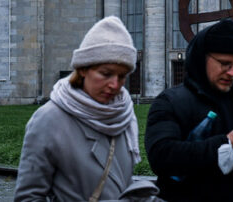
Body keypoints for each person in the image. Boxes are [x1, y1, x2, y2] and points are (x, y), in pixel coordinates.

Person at [14, 16, 159, 201]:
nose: (115, 84)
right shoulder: (49, 119)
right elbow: (29, 197)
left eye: (122, 76)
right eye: (106, 74)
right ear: (83, 69)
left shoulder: (124, 115)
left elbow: (118, 182)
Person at [145, 19, 233, 202]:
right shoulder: (170, 101)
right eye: (224, 64)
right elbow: (161, 156)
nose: (232, 73)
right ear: (201, 59)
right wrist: (225, 146)